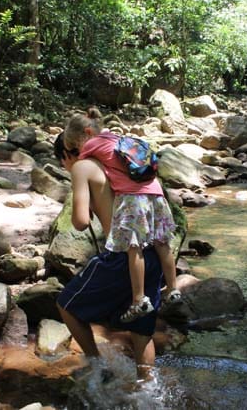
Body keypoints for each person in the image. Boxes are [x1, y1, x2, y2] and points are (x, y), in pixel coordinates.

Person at [53, 132, 164, 375]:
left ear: (66, 155)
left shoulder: (83, 167)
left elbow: (81, 222)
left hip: (121, 256)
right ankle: (147, 389)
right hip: (152, 254)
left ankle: (98, 366)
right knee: (141, 331)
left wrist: (83, 207)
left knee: (66, 305)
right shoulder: (122, 165)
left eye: (63, 162)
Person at [63, 108, 181, 323]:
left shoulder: (91, 145)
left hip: (134, 198)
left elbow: (82, 164)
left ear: (87, 133)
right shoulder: (117, 138)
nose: (76, 150)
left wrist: (73, 164)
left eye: (74, 145)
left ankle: (138, 299)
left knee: (133, 247)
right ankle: (173, 289)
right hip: (155, 193)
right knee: (162, 243)